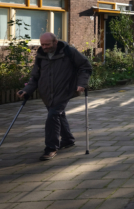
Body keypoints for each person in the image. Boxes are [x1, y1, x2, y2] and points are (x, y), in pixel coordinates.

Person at [17, 33, 92, 161]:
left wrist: (82, 83)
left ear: (55, 42)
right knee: (58, 115)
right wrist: (26, 90)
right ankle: (68, 139)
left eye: (47, 44)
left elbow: (85, 67)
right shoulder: (41, 56)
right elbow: (35, 77)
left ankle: (51, 148)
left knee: (53, 116)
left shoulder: (69, 52)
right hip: (46, 93)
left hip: (64, 91)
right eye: (42, 44)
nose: (44, 47)